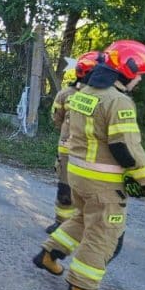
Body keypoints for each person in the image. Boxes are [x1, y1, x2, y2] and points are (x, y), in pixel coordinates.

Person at [33, 39, 145, 290]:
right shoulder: (118, 101)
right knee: (104, 233)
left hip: (78, 174)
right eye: (140, 75)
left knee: (83, 219)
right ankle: (83, 287)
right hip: (104, 183)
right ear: (129, 70)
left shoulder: (85, 93)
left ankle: (49, 253)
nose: (140, 81)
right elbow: (127, 149)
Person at [46, 50, 101, 234]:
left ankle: (85, 227)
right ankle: (61, 223)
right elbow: (57, 119)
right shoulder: (65, 94)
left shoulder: (103, 97)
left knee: (89, 193)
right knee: (65, 190)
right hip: (68, 153)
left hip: (93, 155)